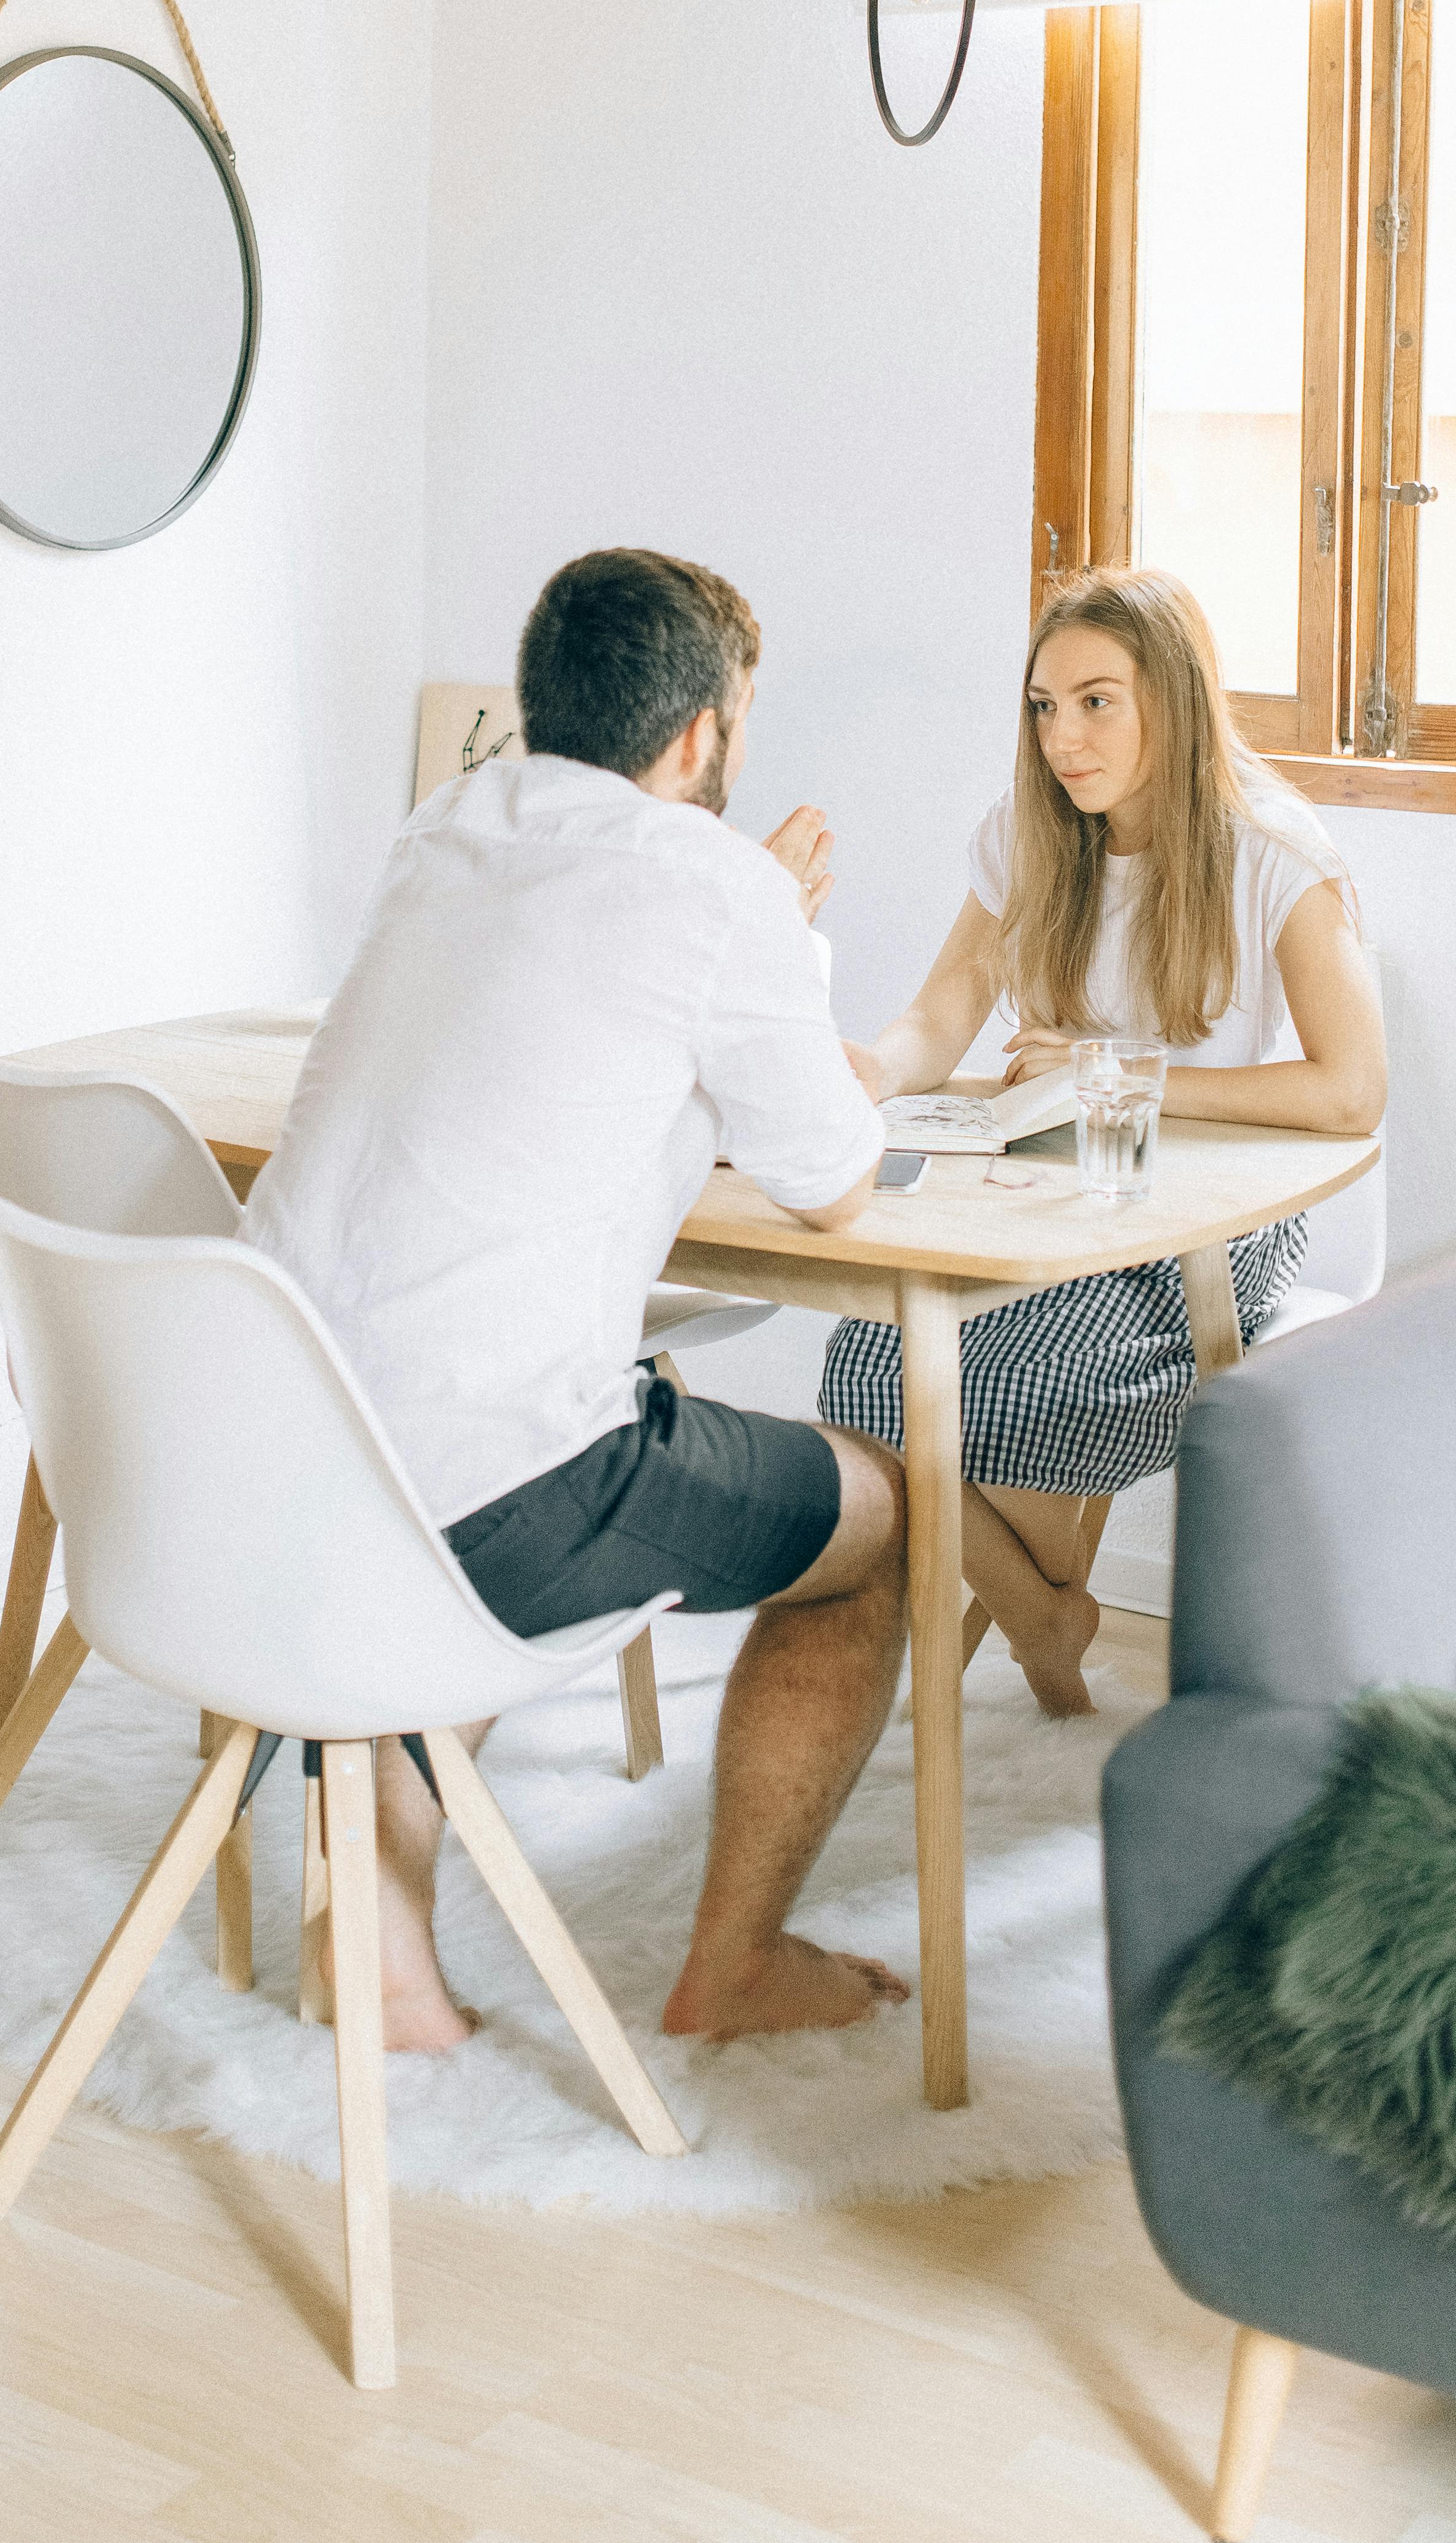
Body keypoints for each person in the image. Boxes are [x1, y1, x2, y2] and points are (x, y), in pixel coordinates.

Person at [244, 547, 908, 2052]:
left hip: (282, 1477)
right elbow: (835, 1179)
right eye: (740, 714)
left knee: (443, 1458)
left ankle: (381, 1946)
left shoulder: (440, 831)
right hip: (497, 1492)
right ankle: (731, 1963)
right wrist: (786, 926)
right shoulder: (718, 882)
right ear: (698, 735)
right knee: (885, 1519)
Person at [819, 565, 1385, 1721]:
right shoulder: (1029, 836)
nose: (1063, 737)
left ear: (1170, 700)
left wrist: (1117, 1075)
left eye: (1096, 701)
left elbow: (1352, 1091)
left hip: (1217, 1221)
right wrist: (868, 1066)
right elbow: (944, 1012)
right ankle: (1047, 1620)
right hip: (1063, 1198)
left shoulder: (1274, 847)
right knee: (863, 1367)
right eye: (1043, 705)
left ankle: (1040, 1622)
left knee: (1017, 1383)